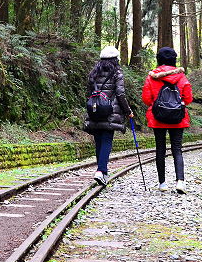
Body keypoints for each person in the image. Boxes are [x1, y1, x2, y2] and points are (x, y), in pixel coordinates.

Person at [142, 46, 193, 194]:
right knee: (177, 149)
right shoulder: (181, 77)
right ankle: (180, 181)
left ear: (159, 59)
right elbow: (188, 98)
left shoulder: (152, 77)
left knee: (160, 149)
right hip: (177, 118)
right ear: (173, 60)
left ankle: (162, 183)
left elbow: (146, 98)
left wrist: (157, 104)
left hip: (158, 118)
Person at [83, 46, 134, 186]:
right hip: (109, 112)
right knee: (106, 140)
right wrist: (128, 111)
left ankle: (101, 171)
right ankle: (101, 171)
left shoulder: (94, 72)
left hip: (94, 111)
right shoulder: (117, 73)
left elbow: (88, 93)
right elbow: (120, 94)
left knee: (99, 141)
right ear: (115, 59)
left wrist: (94, 106)